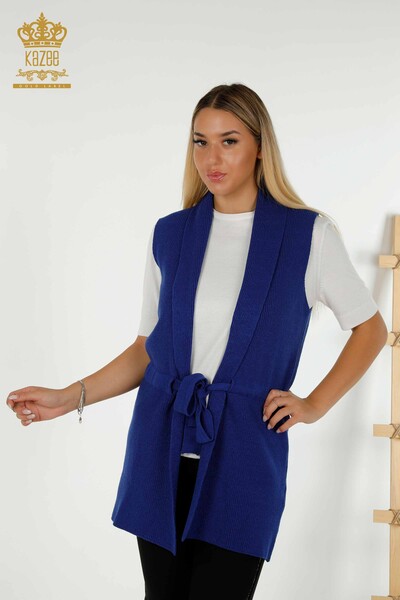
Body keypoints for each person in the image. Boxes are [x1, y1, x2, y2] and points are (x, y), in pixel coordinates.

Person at [6, 83, 387, 600]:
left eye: (229, 141)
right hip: (159, 449)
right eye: (200, 142)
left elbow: (370, 329)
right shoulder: (171, 234)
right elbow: (148, 349)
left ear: (259, 147)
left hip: (245, 457)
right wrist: (67, 396)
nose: (212, 158)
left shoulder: (308, 235)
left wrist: (314, 404)